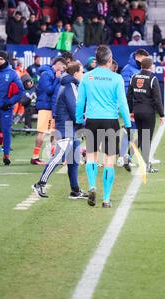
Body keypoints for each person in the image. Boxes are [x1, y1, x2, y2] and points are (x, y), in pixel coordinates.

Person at [76, 45, 132, 208]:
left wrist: (79, 121)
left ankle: (92, 186)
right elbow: (122, 104)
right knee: (109, 160)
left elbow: (80, 102)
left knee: (91, 156)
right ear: (109, 60)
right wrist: (127, 124)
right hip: (110, 121)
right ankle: (106, 199)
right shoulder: (116, 78)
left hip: (92, 120)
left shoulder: (87, 77)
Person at [31, 61, 88, 199]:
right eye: (81, 72)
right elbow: (74, 110)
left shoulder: (70, 85)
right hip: (66, 127)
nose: (83, 74)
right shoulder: (70, 86)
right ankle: (40, 183)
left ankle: (75, 190)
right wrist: (84, 123)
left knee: (73, 160)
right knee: (58, 157)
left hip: (71, 127)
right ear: (75, 73)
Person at [127, 57, 165, 173]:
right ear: (150, 66)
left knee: (142, 136)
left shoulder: (134, 77)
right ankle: (145, 165)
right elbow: (157, 99)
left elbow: (129, 96)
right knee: (146, 139)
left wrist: (130, 111)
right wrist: (162, 114)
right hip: (148, 112)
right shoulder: (152, 78)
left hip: (137, 111)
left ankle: (128, 157)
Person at [30, 57, 67, 165]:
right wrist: (57, 78)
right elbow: (49, 90)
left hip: (51, 106)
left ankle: (53, 156)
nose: (63, 70)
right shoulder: (46, 74)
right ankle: (35, 157)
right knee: (42, 132)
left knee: (53, 132)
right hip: (45, 107)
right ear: (58, 64)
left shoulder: (50, 73)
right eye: (63, 67)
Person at [119, 48, 149, 171]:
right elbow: (125, 90)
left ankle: (127, 157)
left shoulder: (139, 70)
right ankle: (122, 157)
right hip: (132, 107)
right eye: (144, 58)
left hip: (140, 106)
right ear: (139, 57)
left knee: (140, 133)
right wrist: (130, 107)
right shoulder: (128, 70)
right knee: (130, 132)